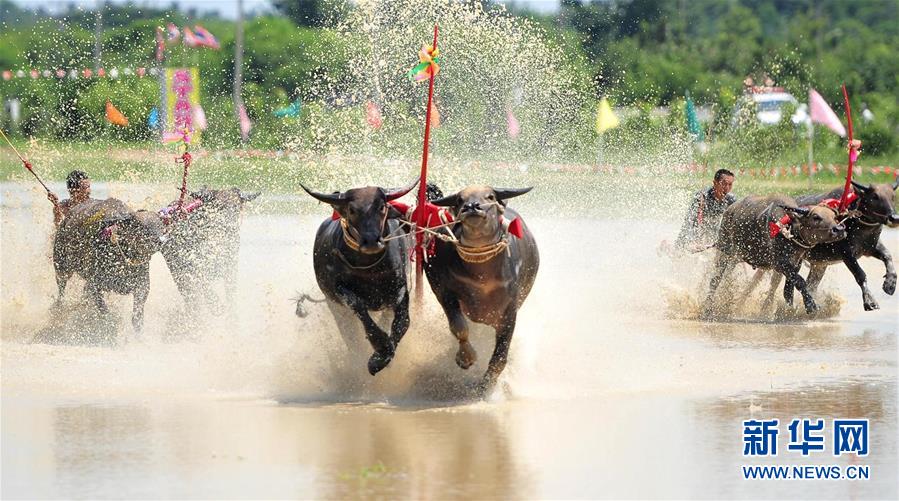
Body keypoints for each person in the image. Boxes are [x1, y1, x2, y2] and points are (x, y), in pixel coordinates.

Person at [674, 168, 736, 252]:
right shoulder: (702, 197)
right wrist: (691, 240)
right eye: (724, 184)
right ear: (715, 183)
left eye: (730, 184)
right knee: (681, 250)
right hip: (696, 232)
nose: (727, 188)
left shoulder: (731, 200)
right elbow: (690, 221)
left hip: (713, 234)